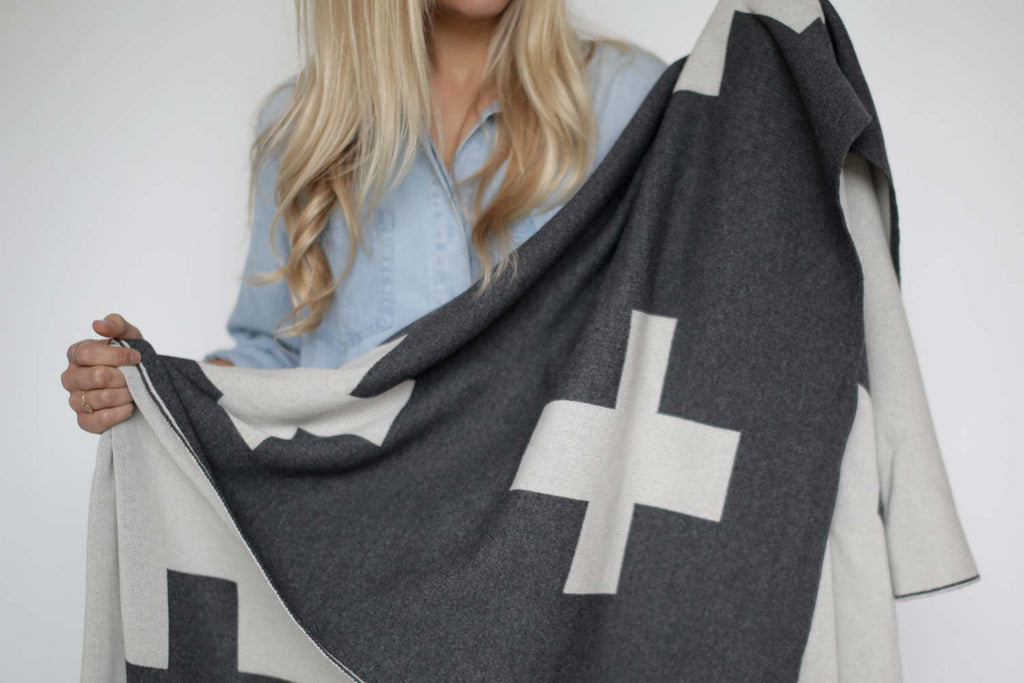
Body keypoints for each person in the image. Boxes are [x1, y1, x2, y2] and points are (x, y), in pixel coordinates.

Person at [60, 0, 668, 434]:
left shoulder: (634, 99)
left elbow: (670, 338)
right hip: (356, 531)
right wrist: (150, 386)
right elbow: (275, 357)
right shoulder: (301, 129)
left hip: (541, 532)